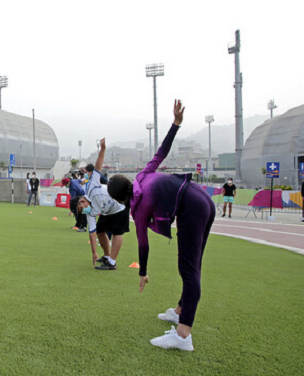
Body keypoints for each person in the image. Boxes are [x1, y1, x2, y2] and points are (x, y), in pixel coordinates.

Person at [107, 100, 215, 351]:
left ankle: (183, 335)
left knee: (188, 269)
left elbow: (143, 245)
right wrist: (176, 124)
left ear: (119, 199)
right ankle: (180, 311)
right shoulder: (142, 175)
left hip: (191, 208)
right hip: (202, 197)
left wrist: (142, 273)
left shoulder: (137, 208)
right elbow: (161, 153)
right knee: (192, 265)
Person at [70, 138, 129, 271]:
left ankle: (112, 262)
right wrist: (94, 253)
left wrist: (102, 149)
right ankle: (107, 256)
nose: (84, 212)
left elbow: (97, 167)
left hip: (120, 205)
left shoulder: (92, 187)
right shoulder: (90, 213)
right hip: (107, 212)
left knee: (117, 232)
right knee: (100, 231)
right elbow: (92, 233)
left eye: (81, 209)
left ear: (82, 201)